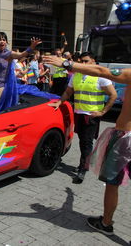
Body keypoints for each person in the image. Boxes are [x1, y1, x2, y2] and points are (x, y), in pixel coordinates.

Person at [43, 53, 131, 236]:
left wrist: (67, 63)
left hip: (125, 138)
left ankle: (106, 223)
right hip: (109, 129)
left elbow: (101, 71)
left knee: (112, 182)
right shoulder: (77, 78)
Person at [48, 52, 117, 183]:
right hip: (79, 114)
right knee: (82, 140)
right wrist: (59, 102)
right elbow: (68, 92)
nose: (83, 64)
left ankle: (82, 168)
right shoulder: (76, 75)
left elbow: (113, 95)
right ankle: (85, 163)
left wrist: (102, 112)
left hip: (91, 116)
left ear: (93, 61)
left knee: (86, 142)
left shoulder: (100, 76)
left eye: (86, 61)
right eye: (82, 61)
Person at [0, 32, 41, 110]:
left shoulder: (9, 54)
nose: (2, 41)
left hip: (1, 86)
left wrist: (32, 46)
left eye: (4, 39)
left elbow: (22, 54)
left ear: (6, 42)